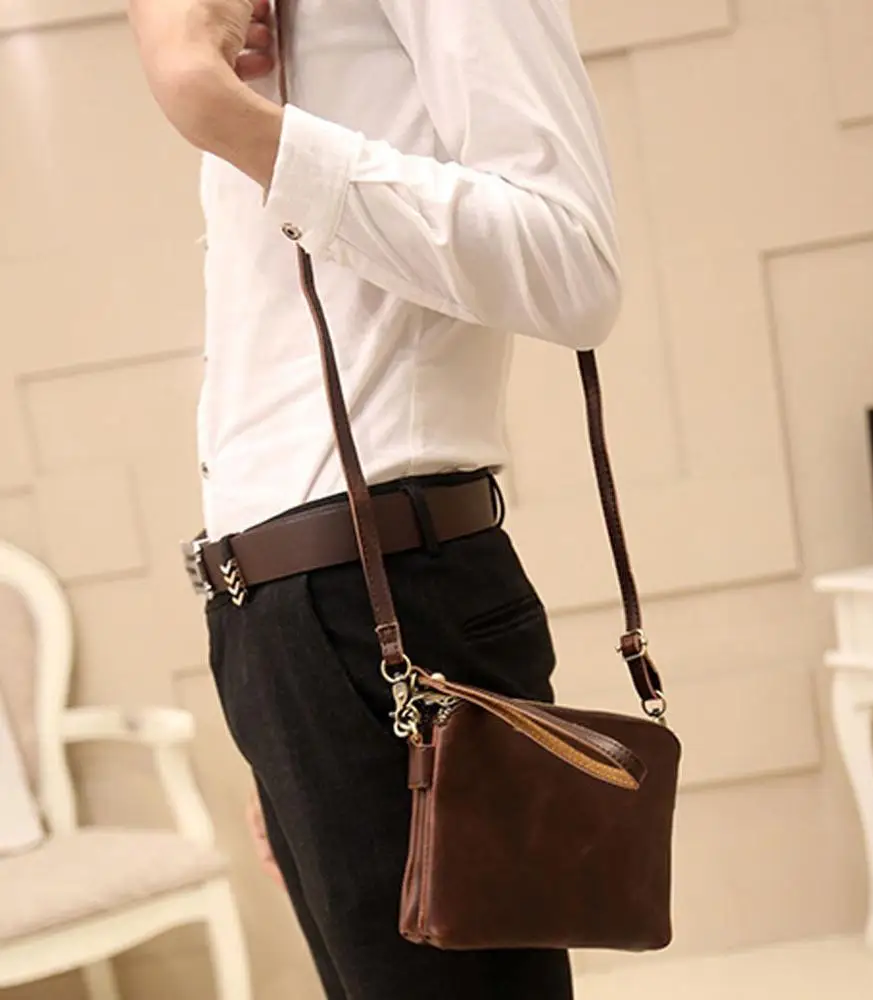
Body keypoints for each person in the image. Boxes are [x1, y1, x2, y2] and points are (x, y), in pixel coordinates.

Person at [128, 1, 622, 996]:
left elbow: (572, 264)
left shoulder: (231, 83)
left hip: (383, 604)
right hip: (289, 620)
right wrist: (281, 694)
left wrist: (225, 115)